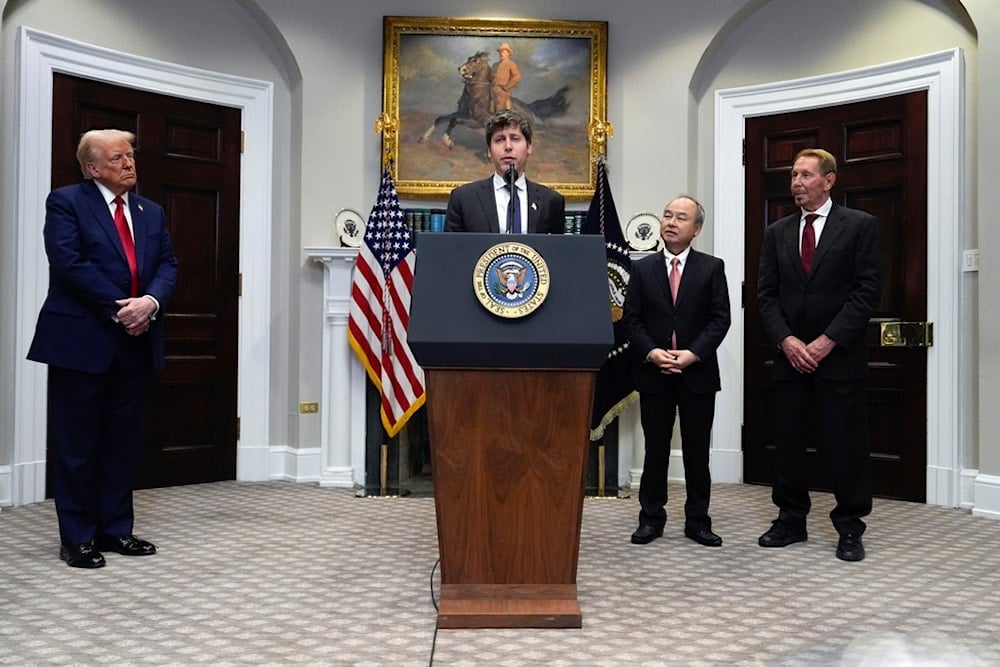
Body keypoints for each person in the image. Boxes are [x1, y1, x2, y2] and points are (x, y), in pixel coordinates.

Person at [28, 129, 178, 568]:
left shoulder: (151, 212)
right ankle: (77, 538)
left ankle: (115, 531)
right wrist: (122, 309)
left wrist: (149, 303)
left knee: (122, 443)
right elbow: (68, 261)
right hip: (82, 340)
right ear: (93, 167)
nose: (129, 164)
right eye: (117, 158)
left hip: (137, 341)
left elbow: (168, 264)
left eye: (131, 156)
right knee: (77, 445)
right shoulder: (67, 202)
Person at [756, 148, 881, 562]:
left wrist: (827, 341)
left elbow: (867, 294)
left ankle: (850, 527)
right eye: (793, 175)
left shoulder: (861, 226)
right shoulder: (777, 232)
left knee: (845, 446)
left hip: (839, 359)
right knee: (789, 444)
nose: (796, 182)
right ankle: (790, 520)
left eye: (806, 175)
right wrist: (787, 341)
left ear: (829, 181)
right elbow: (766, 296)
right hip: (790, 360)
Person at [621, 195, 731, 547]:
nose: (670, 222)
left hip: (697, 374)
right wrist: (652, 353)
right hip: (655, 373)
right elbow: (631, 320)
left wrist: (693, 354)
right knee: (656, 450)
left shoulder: (712, 268)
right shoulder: (642, 269)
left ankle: (698, 521)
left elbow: (720, 320)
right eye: (666, 215)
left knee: (697, 452)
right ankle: (651, 518)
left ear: (696, 228)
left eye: (680, 217)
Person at [444, 109, 565, 234]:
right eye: (500, 140)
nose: (508, 146)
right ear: (489, 151)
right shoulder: (464, 199)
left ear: (529, 147)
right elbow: (452, 250)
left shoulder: (551, 201)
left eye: (515, 138)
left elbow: (556, 251)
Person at [492, 42, 521, 112]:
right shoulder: (495, 65)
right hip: (492, 89)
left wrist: (507, 86)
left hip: (503, 91)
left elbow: (517, 76)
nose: (501, 54)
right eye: (500, 52)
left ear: (508, 53)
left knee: (500, 105)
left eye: (504, 52)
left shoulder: (511, 64)